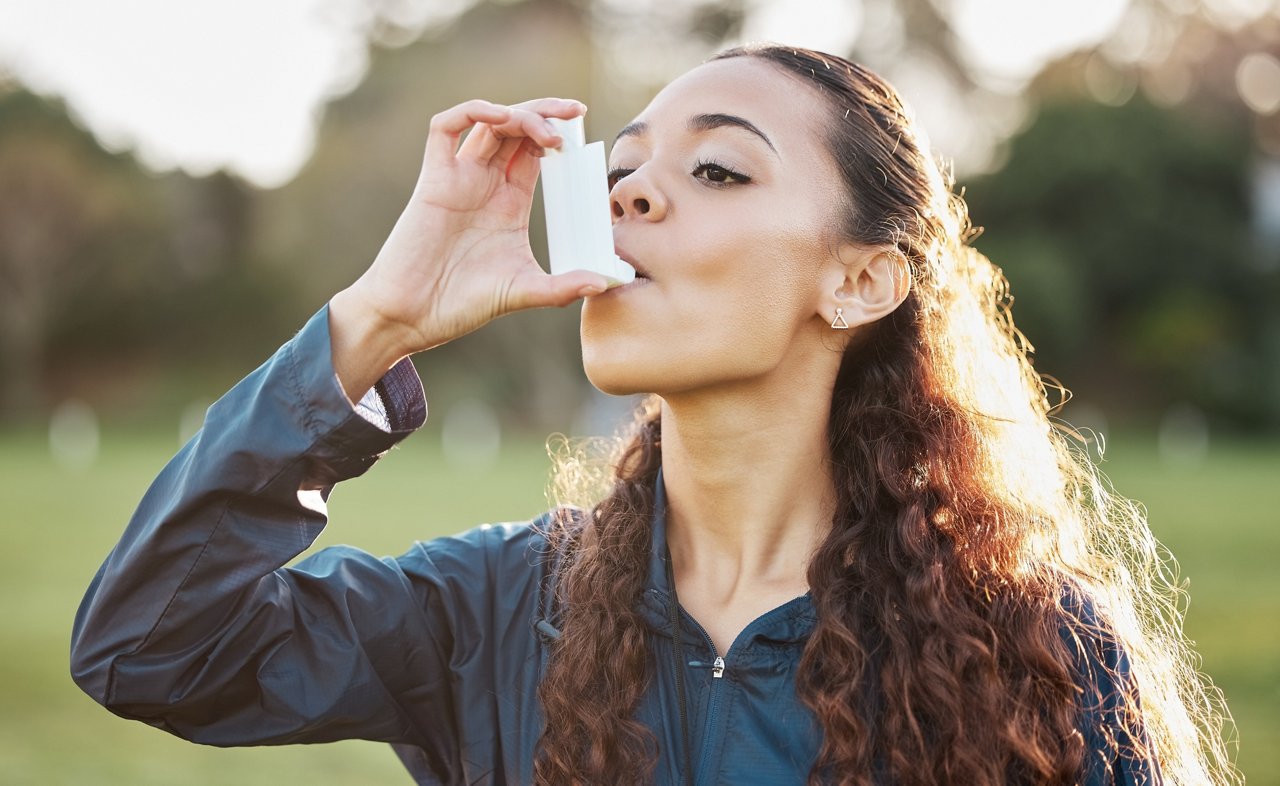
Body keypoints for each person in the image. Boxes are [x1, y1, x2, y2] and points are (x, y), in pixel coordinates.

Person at [70, 45, 1234, 785]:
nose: (628, 192)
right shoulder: (498, 610)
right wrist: (376, 319)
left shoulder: (1036, 657)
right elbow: (147, 651)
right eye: (618, 170)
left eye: (717, 171)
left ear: (859, 282)